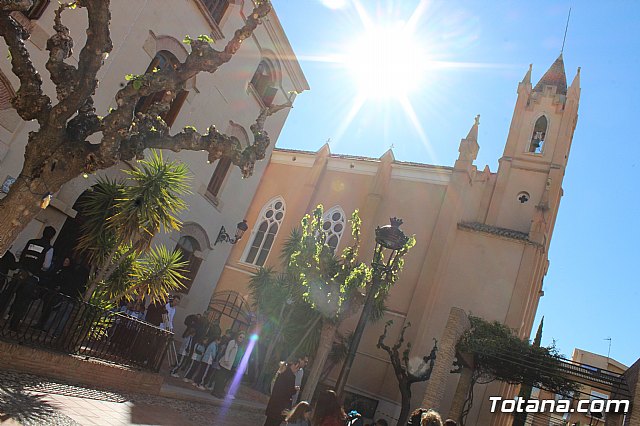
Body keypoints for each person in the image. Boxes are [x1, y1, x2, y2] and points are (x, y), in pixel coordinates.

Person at [9, 226, 56, 331]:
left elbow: (18, 252)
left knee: (12, 295)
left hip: (21, 273)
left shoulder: (31, 241)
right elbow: (46, 265)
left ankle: (7, 315)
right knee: (24, 301)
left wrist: (24, 262)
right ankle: (14, 324)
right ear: (52, 236)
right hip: (32, 277)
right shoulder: (49, 248)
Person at [264, 359, 299, 426]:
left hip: (274, 403)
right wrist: (295, 389)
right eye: (297, 368)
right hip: (280, 406)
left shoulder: (282, 372)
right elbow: (289, 392)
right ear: (294, 365)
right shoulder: (291, 376)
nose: (297, 370)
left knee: (268, 422)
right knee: (274, 423)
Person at [211, 331, 245, 398]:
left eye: (243, 338)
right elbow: (227, 351)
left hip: (232, 365)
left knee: (225, 379)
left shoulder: (240, 346)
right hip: (226, 364)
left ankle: (220, 391)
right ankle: (215, 391)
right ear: (237, 336)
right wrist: (226, 360)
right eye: (240, 337)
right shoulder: (233, 342)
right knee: (220, 378)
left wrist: (238, 365)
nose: (241, 339)